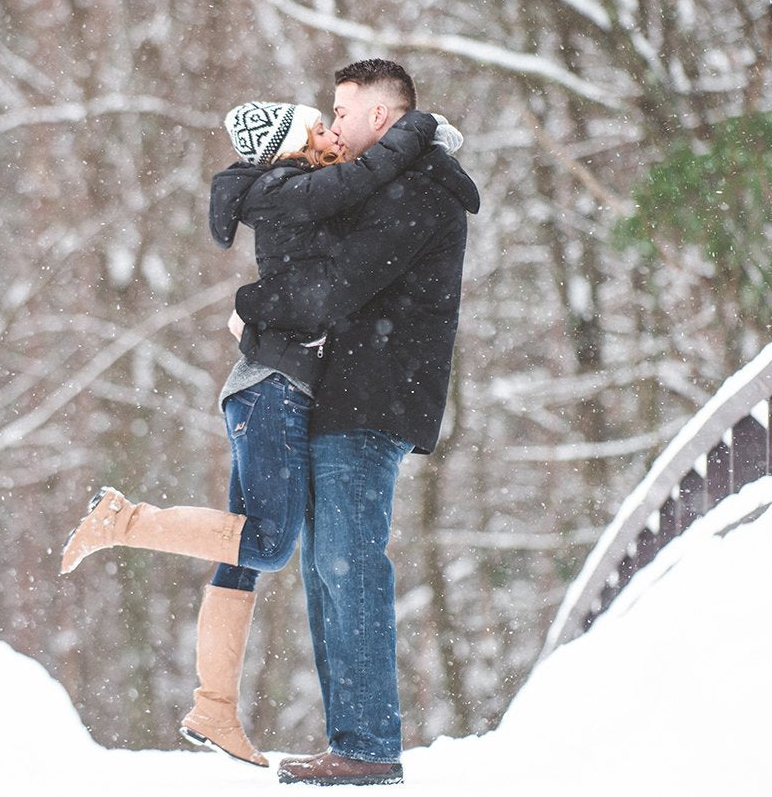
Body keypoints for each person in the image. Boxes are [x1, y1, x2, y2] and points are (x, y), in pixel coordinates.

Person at [60, 98, 440, 767]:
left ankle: (214, 710)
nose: (329, 136)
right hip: (271, 395)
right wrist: (414, 129)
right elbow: (355, 183)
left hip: (265, 391)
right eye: (317, 128)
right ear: (292, 145)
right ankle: (123, 520)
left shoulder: (285, 192)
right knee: (266, 546)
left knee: (242, 557)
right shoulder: (290, 190)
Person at [232, 60, 480, 787]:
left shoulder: (423, 188)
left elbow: (334, 287)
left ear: (382, 116)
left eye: (341, 112)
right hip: (341, 394)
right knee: (325, 570)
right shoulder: (386, 185)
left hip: (373, 397)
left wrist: (252, 306)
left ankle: (369, 748)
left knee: (349, 566)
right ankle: (355, 743)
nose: (331, 126)